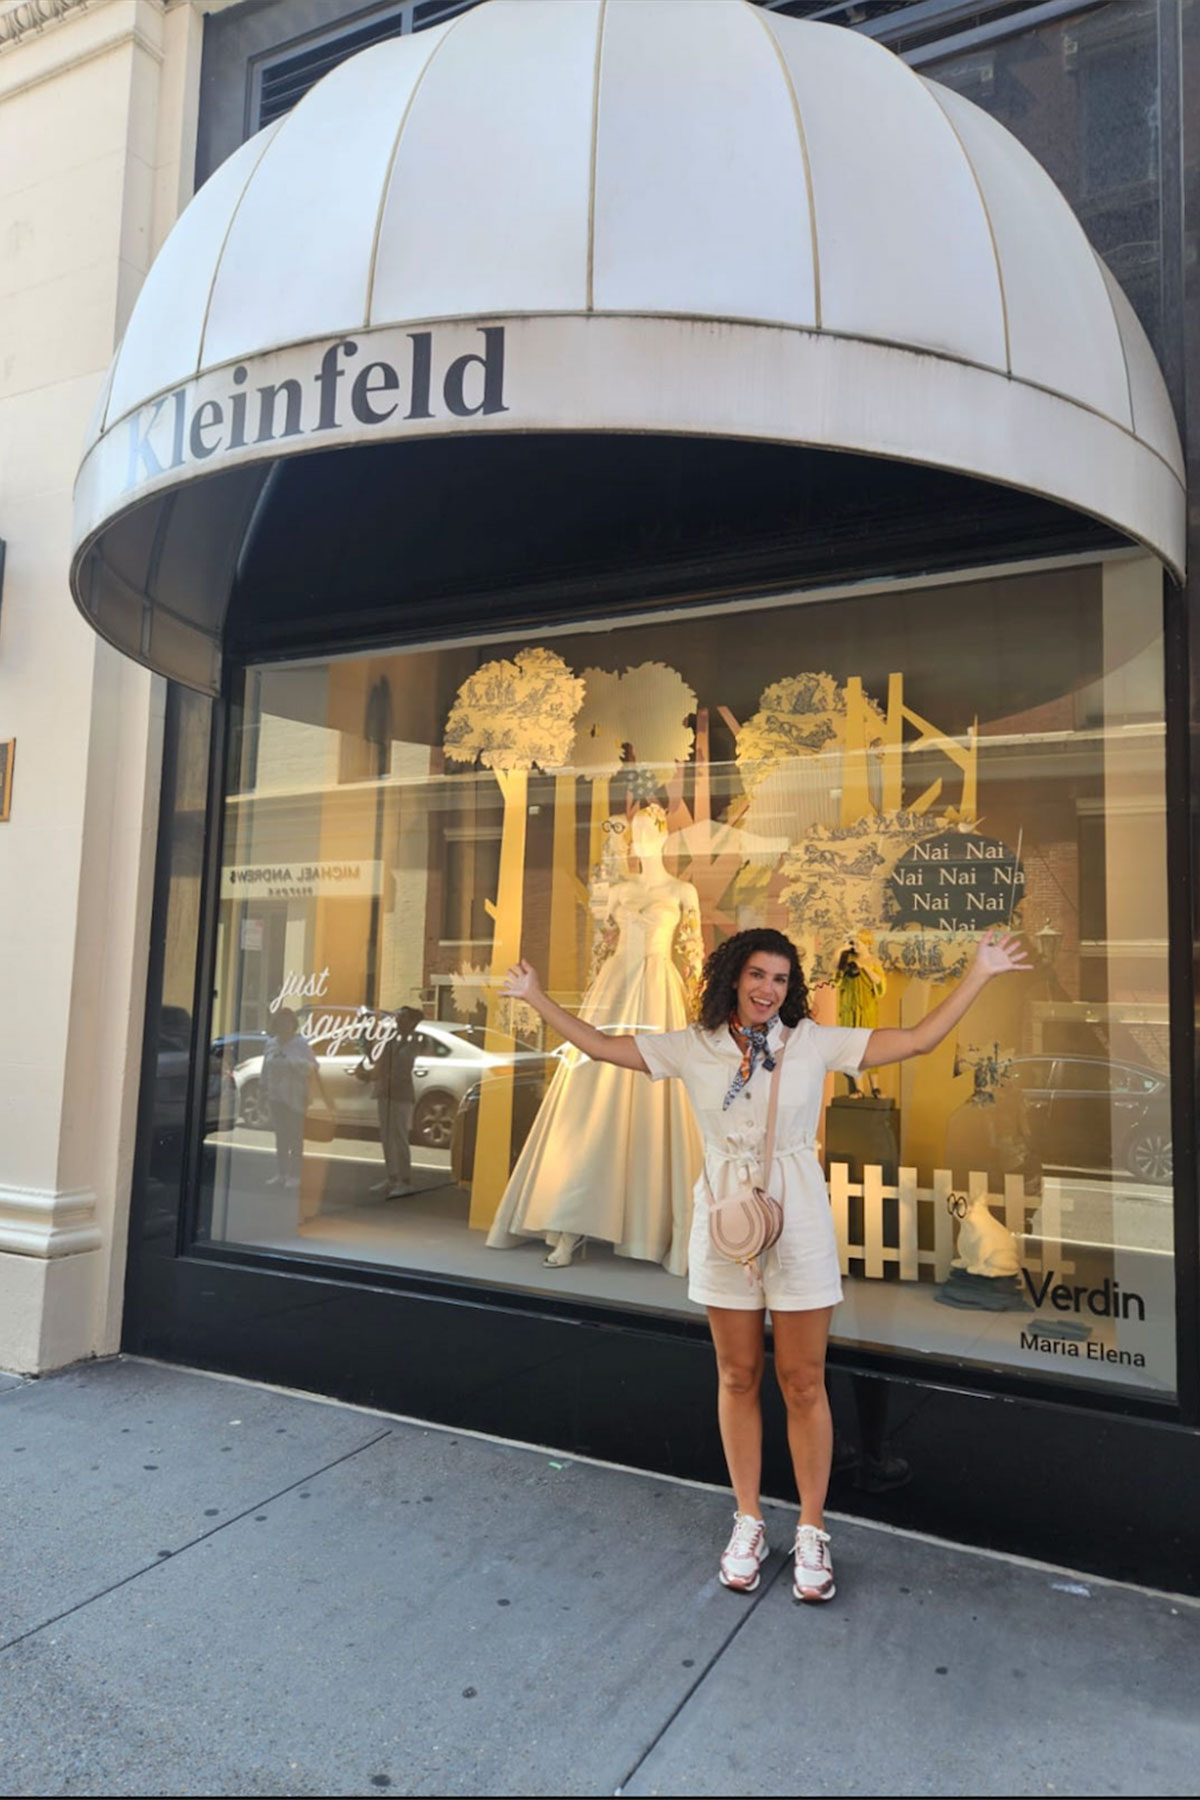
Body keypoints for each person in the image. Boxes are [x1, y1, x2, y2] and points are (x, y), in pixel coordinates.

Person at [502, 924, 1029, 1605]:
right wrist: (537, 998)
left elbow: (918, 1039)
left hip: (800, 1219)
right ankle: (748, 1517)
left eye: (781, 979)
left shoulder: (811, 1041)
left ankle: (812, 1527)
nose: (767, 989)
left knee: (804, 1380)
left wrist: (980, 971)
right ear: (732, 977)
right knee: (737, 1372)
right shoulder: (694, 1047)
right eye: (757, 975)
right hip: (726, 1221)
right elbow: (603, 1047)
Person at [357, 1005, 423, 1198]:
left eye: (403, 1017)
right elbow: (381, 1062)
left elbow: (402, 1066)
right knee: (386, 1136)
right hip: (385, 1092)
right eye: (398, 1016)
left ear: (412, 1021)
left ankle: (405, 1180)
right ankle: (392, 1177)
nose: (398, 1020)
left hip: (400, 1093)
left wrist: (379, 1074)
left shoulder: (414, 1041)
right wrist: (369, 1074)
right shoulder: (391, 1038)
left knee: (400, 1137)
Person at [262, 1008, 328, 1192]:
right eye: (280, 1024)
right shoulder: (270, 1044)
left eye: (287, 1023)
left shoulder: (300, 1044)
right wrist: (263, 1088)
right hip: (276, 1097)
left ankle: (295, 1175)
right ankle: (281, 1173)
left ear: (293, 1025)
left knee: (295, 1137)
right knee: (280, 1137)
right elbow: (265, 1069)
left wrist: (291, 1061)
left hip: (295, 1097)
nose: (284, 1027)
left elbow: (313, 1066)